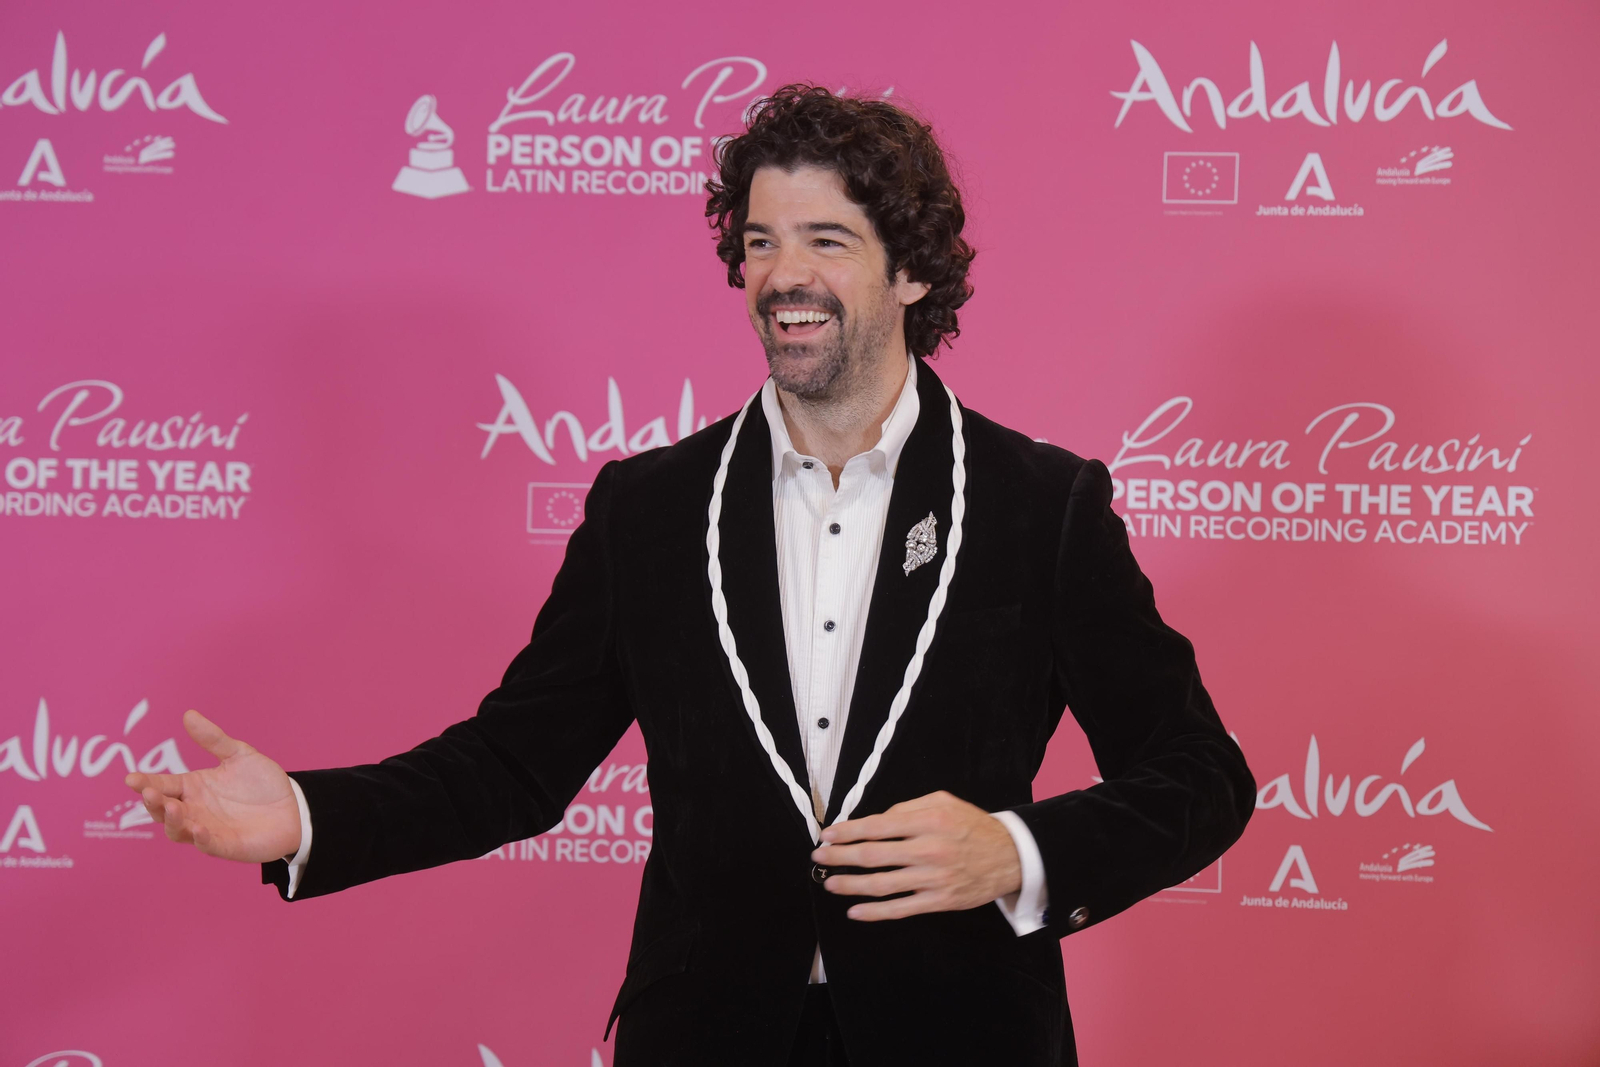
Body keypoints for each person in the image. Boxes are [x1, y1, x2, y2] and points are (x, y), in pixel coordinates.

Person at [126, 85, 1254, 1066]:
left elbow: (1199, 773)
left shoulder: (1036, 504)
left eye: (825, 240)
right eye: (760, 242)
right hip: (706, 1041)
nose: (783, 277)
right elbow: (514, 761)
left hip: (961, 1038)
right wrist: (308, 814)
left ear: (911, 268)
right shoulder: (651, 506)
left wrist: (1012, 850)